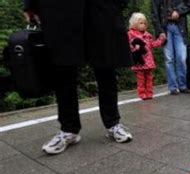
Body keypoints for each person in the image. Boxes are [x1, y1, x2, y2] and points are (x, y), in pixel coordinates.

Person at [23, 0, 133, 155]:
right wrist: (30, 4)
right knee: (63, 67)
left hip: (100, 6)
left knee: (106, 64)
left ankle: (113, 123)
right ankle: (69, 129)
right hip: (59, 7)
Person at [151, 0, 190, 95]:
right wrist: (159, 31)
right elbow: (154, 15)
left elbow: (189, 4)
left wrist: (178, 11)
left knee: (181, 58)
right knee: (169, 59)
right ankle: (173, 87)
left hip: (179, 28)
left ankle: (182, 86)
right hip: (165, 29)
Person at [128, 13, 166, 100]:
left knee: (149, 78)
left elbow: (153, 44)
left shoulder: (148, 35)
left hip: (148, 61)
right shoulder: (131, 34)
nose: (143, 25)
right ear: (134, 24)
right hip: (139, 60)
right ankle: (142, 94)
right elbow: (128, 44)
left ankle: (149, 93)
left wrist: (161, 39)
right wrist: (134, 47)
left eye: (145, 23)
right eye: (141, 23)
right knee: (140, 78)